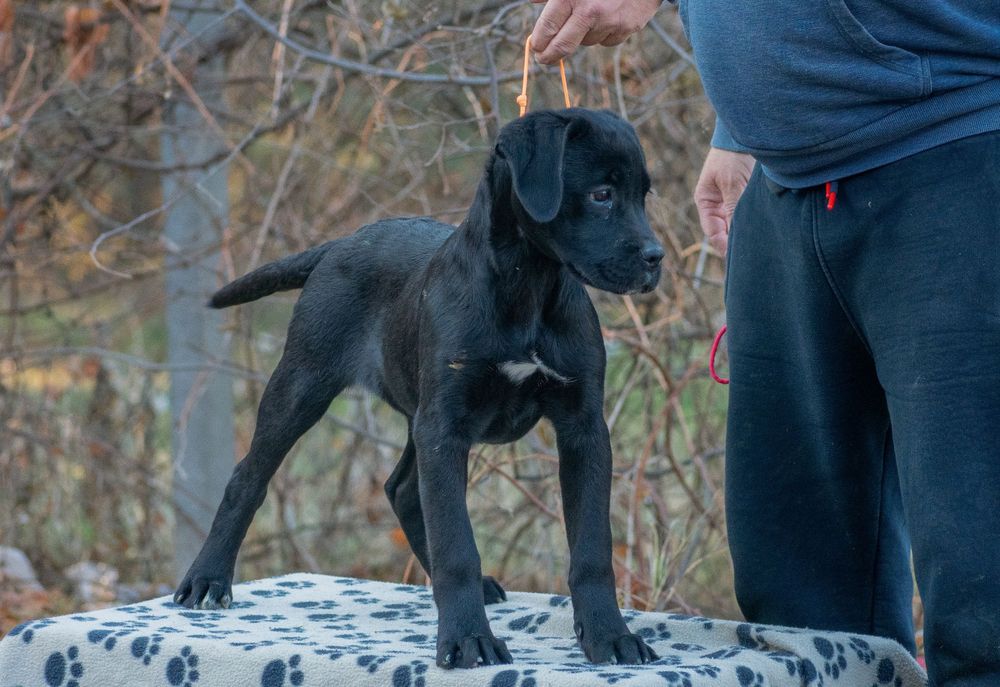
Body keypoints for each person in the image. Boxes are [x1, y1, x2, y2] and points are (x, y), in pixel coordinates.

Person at [530, 2, 1000, 685]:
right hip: (784, 188)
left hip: (957, 157)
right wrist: (745, 121)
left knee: (983, 601)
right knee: (802, 623)